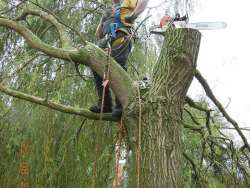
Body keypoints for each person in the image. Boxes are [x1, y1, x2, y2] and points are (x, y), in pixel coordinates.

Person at [90, 0, 149, 118]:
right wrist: (105, 19)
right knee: (98, 70)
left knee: (118, 67)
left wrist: (133, 15)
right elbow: (98, 33)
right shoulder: (108, 10)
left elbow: (144, 2)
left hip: (121, 37)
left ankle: (120, 105)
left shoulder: (129, 1)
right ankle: (105, 104)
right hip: (106, 42)